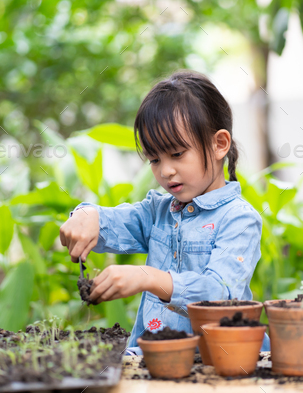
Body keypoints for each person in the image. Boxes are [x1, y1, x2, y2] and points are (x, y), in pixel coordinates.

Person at [59, 70, 270, 356]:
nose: (165, 171)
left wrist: (149, 277)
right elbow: (112, 222)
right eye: (155, 159)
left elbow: (220, 294)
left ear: (219, 144)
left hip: (214, 362)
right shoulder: (159, 211)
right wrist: (86, 216)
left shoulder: (239, 219)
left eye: (177, 154)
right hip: (152, 359)